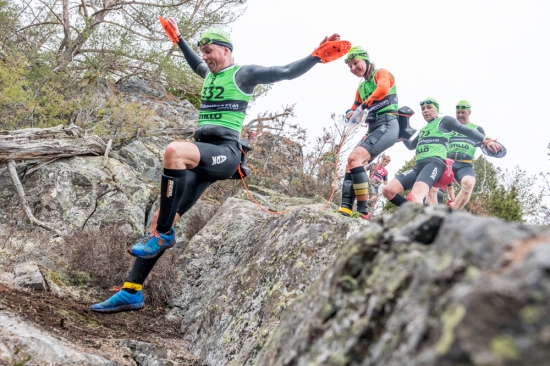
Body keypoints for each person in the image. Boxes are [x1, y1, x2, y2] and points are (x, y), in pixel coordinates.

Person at [90, 20, 341, 312]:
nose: (205, 56)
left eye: (209, 51)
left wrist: (315, 56)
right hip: (203, 156)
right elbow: (193, 61)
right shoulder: (207, 74)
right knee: (163, 214)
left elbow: (283, 72)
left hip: (226, 153)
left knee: (174, 152)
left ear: (225, 50)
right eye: (203, 52)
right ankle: (132, 291)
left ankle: (162, 235)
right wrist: (178, 39)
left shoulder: (242, 74)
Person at [382, 98, 501, 206]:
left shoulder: (444, 121)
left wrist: (487, 140)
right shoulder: (424, 129)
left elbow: (464, 130)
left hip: (434, 163)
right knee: (388, 191)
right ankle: (416, 213)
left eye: (429, 108)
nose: (425, 111)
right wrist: (401, 132)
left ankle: (421, 223)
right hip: (418, 167)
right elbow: (411, 146)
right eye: (423, 109)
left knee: (415, 196)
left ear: (437, 110)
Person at [337, 46, 399, 220]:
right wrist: (350, 113)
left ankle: (363, 211)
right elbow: (354, 108)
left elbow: (383, 90)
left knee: (356, 158)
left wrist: (364, 106)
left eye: (355, 63)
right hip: (373, 127)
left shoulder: (381, 73)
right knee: (351, 162)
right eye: (350, 66)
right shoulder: (361, 87)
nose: (353, 69)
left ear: (365, 60)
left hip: (387, 123)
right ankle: (346, 208)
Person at [444, 100, 488, 210]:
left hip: (464, 164)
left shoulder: (477, 128)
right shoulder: (449, 127)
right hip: (446, 162)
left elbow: (484, 146)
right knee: (432, 187)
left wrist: (490, 146)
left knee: (469, 183)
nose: (460, 115)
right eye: (458, 113)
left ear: (469, 112)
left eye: (463, 112)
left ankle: (452, 213)